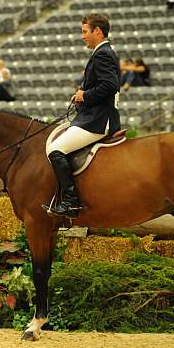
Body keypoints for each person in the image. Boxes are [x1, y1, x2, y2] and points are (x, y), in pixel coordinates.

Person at [42, 13, 120, 219]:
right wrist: (81, 95)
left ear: (97, 31)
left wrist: (84, 94)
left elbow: (110, 86)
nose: (83, 36)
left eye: (85, 32)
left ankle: (70, 201)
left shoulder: (102, 53)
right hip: (93, 114)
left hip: (99, 119)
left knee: (55, 149)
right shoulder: (101, 52)